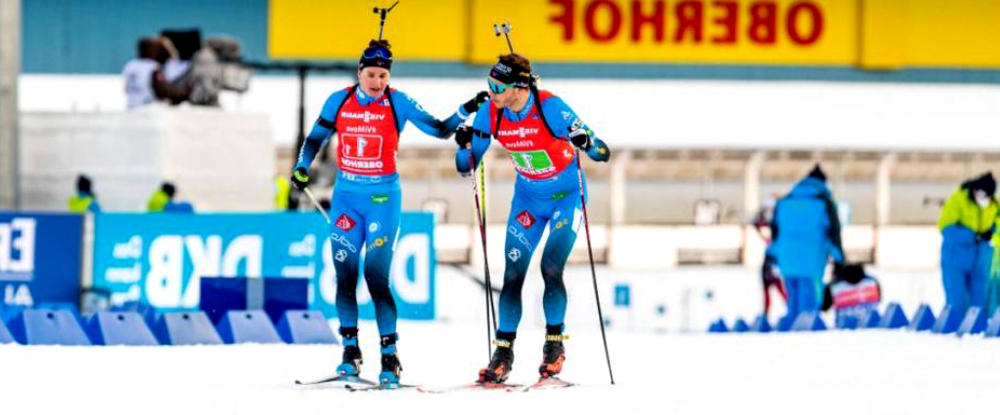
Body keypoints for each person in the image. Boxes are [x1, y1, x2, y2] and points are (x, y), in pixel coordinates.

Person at [289, 39, 487, 387]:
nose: (377, 82)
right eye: (371, 74)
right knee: (345, 274)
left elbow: (440, 129)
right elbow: (314, 138)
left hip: (383, 199)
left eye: (383, 75)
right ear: (359, 73)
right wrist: (302, 166)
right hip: (346, 198)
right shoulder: (340, 100)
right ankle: (350, 351)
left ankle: (389, 356)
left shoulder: (398, 101)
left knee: (376, 276)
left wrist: (467, 108)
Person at [454, 53, 610, 384]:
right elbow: (466, 165)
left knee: (551, 267)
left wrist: (586, 141)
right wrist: (464, 144)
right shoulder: (490, 113)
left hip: (566, 198)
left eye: (498, 86)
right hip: (527, 200)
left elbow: (601, 152)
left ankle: (554, 344)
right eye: (489, 83)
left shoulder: (550, 107)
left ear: (520, 87)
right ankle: (503, 353)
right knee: (513, 274)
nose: (491, 91)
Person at [770, 164, 844, 329]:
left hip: (786, 259)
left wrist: (773, 256)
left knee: (793, 301)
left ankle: (791, 337)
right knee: (810, 304)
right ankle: (807, 341)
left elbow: (774, 231)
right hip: (812, 261)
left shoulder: (785, 200)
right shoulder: (824, 202)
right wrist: (839, 260)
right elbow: (834, 232)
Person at [938, 172, 997, 315]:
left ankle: (977, 331)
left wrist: (991, 233)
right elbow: (946, 227)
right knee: (956, 300)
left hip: (980, 260)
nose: (985, 199)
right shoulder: (958, 200)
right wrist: (972, 236)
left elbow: (996, 225)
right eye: (982, 194)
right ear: (975, 190)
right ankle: (954, 330)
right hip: (956, 257)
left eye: (988, 196)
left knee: (979, 302)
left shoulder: (993, 205)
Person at [122, 37, 190, 109]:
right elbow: (162, 91)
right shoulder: (153, 67)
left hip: (131, 105)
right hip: (148, 107)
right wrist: (182, 94)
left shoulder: (130, 65)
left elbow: (126, 88)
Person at [752, 194, 786, 316]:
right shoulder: (771, 222)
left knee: (781, 290)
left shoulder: (778, 221)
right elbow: (756, 222)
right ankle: (766, 314)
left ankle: (789, 311)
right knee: (770, 291)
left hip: (774, 260)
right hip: (770, 260)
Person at [822, 263, 881, 328]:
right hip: (874, 328)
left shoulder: (833, 286)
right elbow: (879, 300)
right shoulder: (873, 281)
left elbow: (824, 308)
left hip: (844, 331)